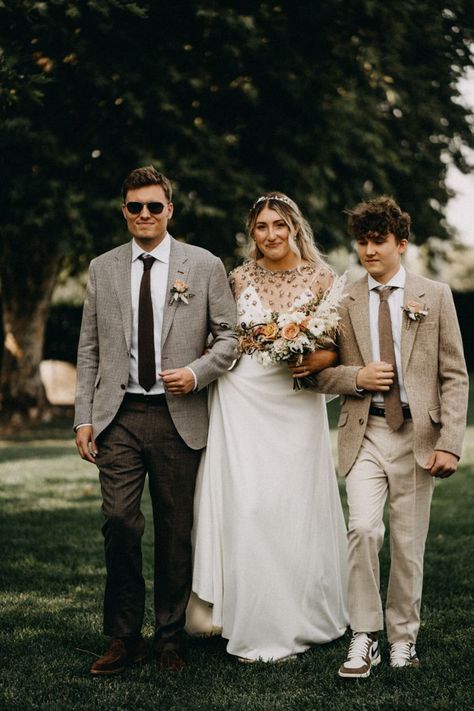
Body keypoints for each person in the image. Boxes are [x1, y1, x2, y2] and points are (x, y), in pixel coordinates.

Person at [74, 166, 237, 674]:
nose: (144, 214)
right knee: (120, 523)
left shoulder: (204, 264)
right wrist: (83, 417)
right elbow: (89, 349)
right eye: (135, 207)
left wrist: (196, 372)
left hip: (179, 417)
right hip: (116, 416)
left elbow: (230, 337)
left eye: (154, 206)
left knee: (175, 529)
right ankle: (123, 637)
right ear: (124, 212)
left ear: (170, 210)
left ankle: (170, 639)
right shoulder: (103, 268)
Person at [188, 192, 349, 662]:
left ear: (295, 227)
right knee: (251, 507)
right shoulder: (236, 278)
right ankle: (252, 616)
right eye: (262, 227)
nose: (271, 234)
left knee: (293, 508)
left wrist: (319, 355)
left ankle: (300, 615)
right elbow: (218, 338)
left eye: (280, 225)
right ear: (251, 232)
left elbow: (341, 346)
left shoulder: (323, 278)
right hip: (242, 402)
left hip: (296, 406)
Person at [314, 196, 468, 678]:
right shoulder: (344, 299)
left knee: (407, 542)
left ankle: (403, 638)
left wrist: (450, 441)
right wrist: (357, 377)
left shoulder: (435, 294)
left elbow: (455, 375)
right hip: (365, 433)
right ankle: (364, 635)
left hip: (418, 438)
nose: (368, 250)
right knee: (362, 529)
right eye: (361, 242)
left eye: (378, 241)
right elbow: (319, 375)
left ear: (401, 243)